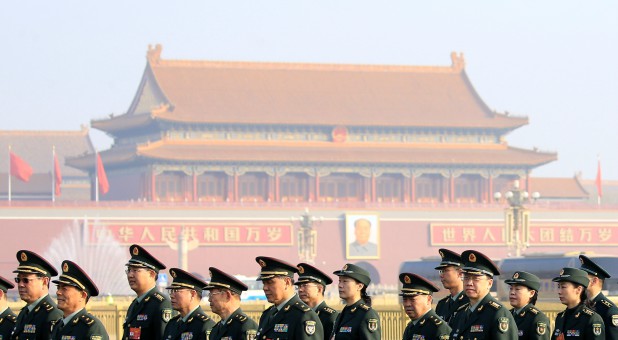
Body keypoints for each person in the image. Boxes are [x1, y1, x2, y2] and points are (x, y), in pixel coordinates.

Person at [449, 250, 517, 339]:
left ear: (489, 283)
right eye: (466, 277)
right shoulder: (460, 313)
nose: (469, 283)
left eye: (476, 278)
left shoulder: (498, 314)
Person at [254, 256, 324, 339]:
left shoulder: (303, 316)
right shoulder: (267, 315)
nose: (265, 288)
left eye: (270, 282)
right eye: (264, 283)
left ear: (287, 282)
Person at [122, 244, 173, 340]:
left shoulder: (161, 304)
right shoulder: (135, 304)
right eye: (129, 270)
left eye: (135, 270)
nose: (130, 275)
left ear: (151, 274)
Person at [50, 260, 109, 340]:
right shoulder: (58, 325)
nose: (58, 292)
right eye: (58, 287)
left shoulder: (91, 328)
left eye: (64, 288)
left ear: (82, 295)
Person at [11, 250, 63, 340]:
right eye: (18, 280)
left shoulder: (52, 315)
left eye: (26, 280)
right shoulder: (24, 313)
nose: (20, 285)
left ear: (44, 281)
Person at [206, 266, 258, 340]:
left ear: (227, 295)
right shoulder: (216, 329)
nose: (209, 299)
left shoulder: (245, 327)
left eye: (212, 294)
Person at [552, 267, 605, 339]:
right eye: (559, 287)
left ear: (578, 289)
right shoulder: (560, 318)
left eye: (563, 287)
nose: (559, 291)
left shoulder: (591, 319)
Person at [331, 263, 381, 339]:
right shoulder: (342, 314)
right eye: (339, 281)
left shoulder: (366, 315)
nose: (340, 285)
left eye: (345, 281)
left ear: (360, 286)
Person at [162, 268, 214, 340]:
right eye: (172, 291)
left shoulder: (204, 325)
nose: (172, 295)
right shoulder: (172, 324)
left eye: (176, 291)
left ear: (192, 294)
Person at [399, 272, 451, 340]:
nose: (407, 304)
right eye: (405, 299)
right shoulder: (410, 327)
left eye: (412, 299)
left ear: (428, 299)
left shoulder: (439, 329)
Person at [295, 262, 339, 339]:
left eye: (305, 285)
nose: (300, 290)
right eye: (299, 286)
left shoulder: (330, 316)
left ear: (319, 289)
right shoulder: (298, 313)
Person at [579, 254, 618, 339]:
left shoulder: (609, 310)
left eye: (582, 278)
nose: (578, 281)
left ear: (594, 281)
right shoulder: (581, 305)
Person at [505, 271, 550, 340]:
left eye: (517, 289)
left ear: (531, 293)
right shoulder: (507, 315)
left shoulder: (537, 319)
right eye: (511, 288)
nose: (512, 292)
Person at [434, 248, 469, 325]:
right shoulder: (442, 305)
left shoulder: (470, 302)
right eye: (441, 271)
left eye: (445, 271)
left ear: (460, 273)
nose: (441, 275)